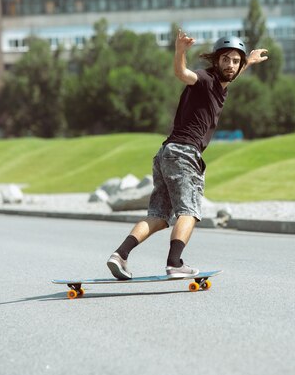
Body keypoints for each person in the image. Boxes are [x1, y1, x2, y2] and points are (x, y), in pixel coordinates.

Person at [107, 30, 268, 280]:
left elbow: (232, 75)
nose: (231, 65)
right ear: (216, 60)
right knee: (189, 211)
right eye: (226, 59)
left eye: (236, 61)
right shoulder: (204, 79)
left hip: (166, 153)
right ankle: (175, 263)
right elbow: (182, 74)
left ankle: (120, 255)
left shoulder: (221, 83)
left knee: (158, 217)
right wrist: (180, 51)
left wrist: (250, 61)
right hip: (184, 154)